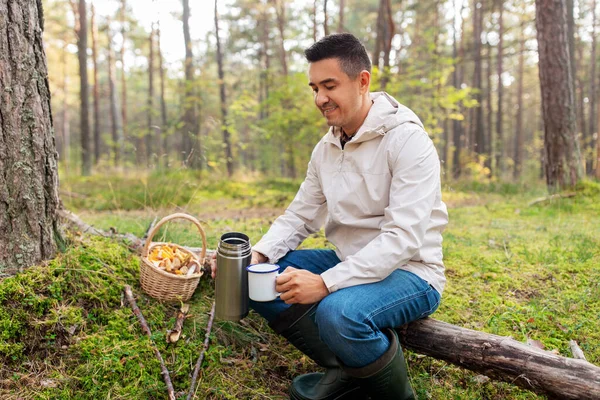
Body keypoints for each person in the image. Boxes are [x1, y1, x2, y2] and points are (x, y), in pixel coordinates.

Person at [213, 33, 448, 400]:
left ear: (363, 81)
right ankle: (346, 369)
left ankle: (398, 396)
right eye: (314, 88)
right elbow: (298, 217)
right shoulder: (326, 148)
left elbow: (403, 239)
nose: (320, 98)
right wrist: (257, 255)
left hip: (412, 272)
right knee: (259, 277)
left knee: (339, 313)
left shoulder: (408, 142)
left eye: (329, 85)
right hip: (349, 260)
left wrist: (325, 284)